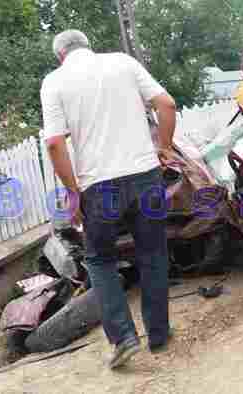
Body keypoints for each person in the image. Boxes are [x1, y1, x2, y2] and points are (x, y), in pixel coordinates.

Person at [40, 30, 177, 369]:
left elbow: (55, 144)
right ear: (88, 45)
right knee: (153, 254)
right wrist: (165, 148)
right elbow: (166, 103)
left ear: (61, 55)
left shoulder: (55, 82)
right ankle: (158, 334)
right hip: (146, 177)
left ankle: (124, 338)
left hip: (99, 187)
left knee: (100, 260)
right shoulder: (122, 63)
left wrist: (73, 192)